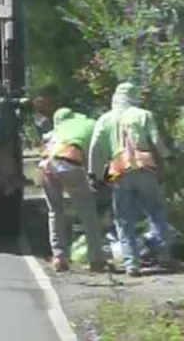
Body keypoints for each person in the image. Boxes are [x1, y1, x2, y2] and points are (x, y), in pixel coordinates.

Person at [88, 82, 174, 276]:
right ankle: (163, 255)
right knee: (156, 211)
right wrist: (168, 157)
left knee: (123, 218)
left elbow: (95, 147)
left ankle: (131, 264)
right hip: (144, 166)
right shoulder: (144, 114)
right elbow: (156, 139)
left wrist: (93, 174)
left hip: (117, 168)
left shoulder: (104, 119)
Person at [39, 108, 106, 273]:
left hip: (46, 167)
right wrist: (95, 176)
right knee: (88, 214)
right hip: (70, 164)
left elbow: (45, 141)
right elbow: (96, 153)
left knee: (55, 212)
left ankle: (59, 257)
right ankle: (96, 259)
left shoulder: (59, 129)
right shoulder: (91, 124)